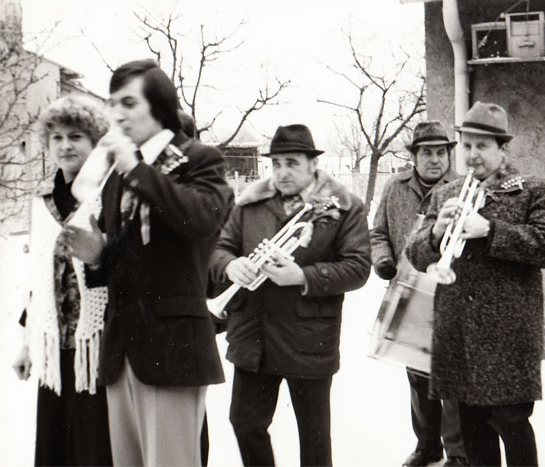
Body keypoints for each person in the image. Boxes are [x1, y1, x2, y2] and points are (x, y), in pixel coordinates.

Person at [64, 59, 233, 467]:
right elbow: (129, 258)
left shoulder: (199, 159)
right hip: (121, 350)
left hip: (172, 351)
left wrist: (137, 169)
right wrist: (97, 253)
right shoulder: (118, 174)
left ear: (159, 106)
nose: (117, 114)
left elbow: (202, 219)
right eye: (112, 104)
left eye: (128, 103)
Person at [407, 102, 545, 466]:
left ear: (502, 149)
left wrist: (491, 230)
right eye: (467, 145)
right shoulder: (445, 194)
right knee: (473, 432)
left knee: (512, 422)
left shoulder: (533, 190)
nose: (472, 154)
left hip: (507, 334)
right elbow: (415, 254)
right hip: (458, 332)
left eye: (482, 146)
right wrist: (436, 231)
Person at [209, 124, 371, 467]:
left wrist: (302, 276)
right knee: (245, 423)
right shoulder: (249, 204)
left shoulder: (345, 207)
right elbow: (219, 249)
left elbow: (358, 267)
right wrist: (231, 264)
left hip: (309, 337)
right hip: (254, 336)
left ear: (313, 164)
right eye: (276, 163)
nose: (282, 172)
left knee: (314, 438)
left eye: (292, 163)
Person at [11, 95, 112, 466]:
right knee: (55, 451)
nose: (65, 145)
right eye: (57, 138)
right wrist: (27, 345)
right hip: (54, 349)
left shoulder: (108, 197)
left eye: (76, 137)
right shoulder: (42, 202)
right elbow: (37, 280)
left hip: (99, 349)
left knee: (94, 450)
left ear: (95, 141)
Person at [370, 120, 467, 467]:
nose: (435, 160)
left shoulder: (461, 188)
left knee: (450, 373)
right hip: (407, 290)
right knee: (416, 372)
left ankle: (457, 452)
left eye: (441, 152)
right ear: (414, 156)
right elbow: (378, 232)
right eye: (427, 153)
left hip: (450, 292)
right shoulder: (394, 187)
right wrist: (383, 260)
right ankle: (427, 446)